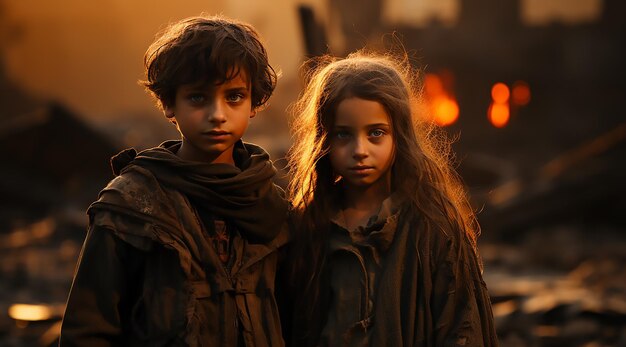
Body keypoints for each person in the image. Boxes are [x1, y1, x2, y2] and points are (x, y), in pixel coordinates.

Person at [60, 15, 289, 346]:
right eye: (198, 98)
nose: (218, 114)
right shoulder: (131, 204)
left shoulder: (271, 202)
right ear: (169, 103)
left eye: (234, 96)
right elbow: (88, 330)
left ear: (254, 102)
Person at [284, 52, 499, 346]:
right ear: (324, 139)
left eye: (376, 133)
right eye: (343, 135)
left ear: (399, 135)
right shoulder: (310, 226)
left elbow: (462, 328)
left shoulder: (432, 227)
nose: (360, 149)